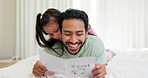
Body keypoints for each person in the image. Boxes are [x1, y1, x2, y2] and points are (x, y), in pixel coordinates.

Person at [33, 8, 106, 78]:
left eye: (56, 30)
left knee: (106, 55)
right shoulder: (54, 44)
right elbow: (45, 61)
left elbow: (96, 45)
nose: (56, 35)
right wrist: (40, 68)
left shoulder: (93, 40)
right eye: (51, 34)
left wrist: (101, 68)